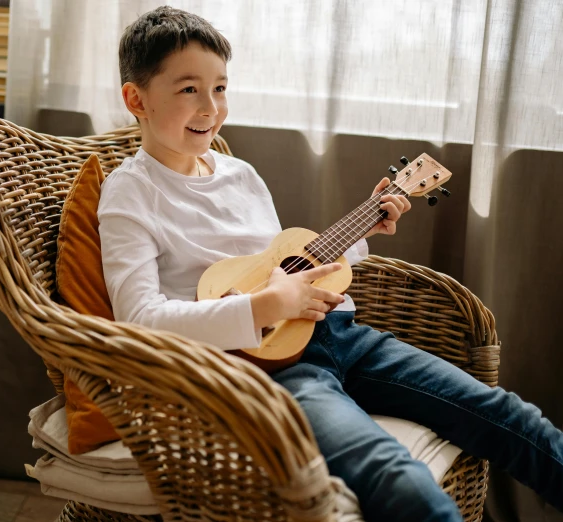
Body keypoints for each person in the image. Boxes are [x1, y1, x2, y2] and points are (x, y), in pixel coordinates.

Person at [96, 6, 563, 520]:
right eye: (189, 89)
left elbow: (286, 263)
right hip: (268, 370)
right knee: (395, 475)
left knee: (508, 416)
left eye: (221, 88)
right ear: (136, 99)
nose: (211, 106)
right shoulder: (129, 195)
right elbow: (139, 321)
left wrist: (363, 233)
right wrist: (266, 305)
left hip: (342, 334)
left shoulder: (240, 173)